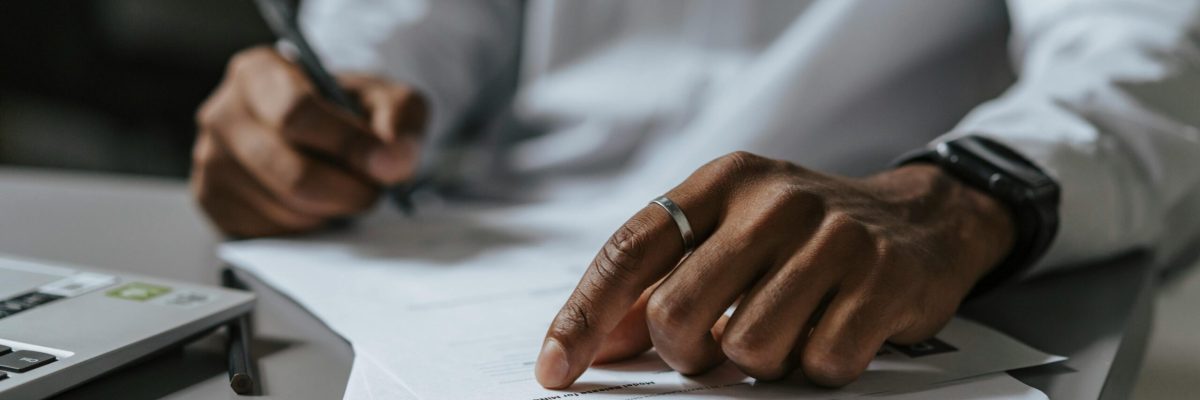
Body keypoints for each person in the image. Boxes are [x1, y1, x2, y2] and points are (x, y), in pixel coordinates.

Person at [190, 0, 1200, 390]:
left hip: (867, 281)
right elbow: (399, 41)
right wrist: (309, 115)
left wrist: (963, 192)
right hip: (449, 268)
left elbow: (1151, 48)